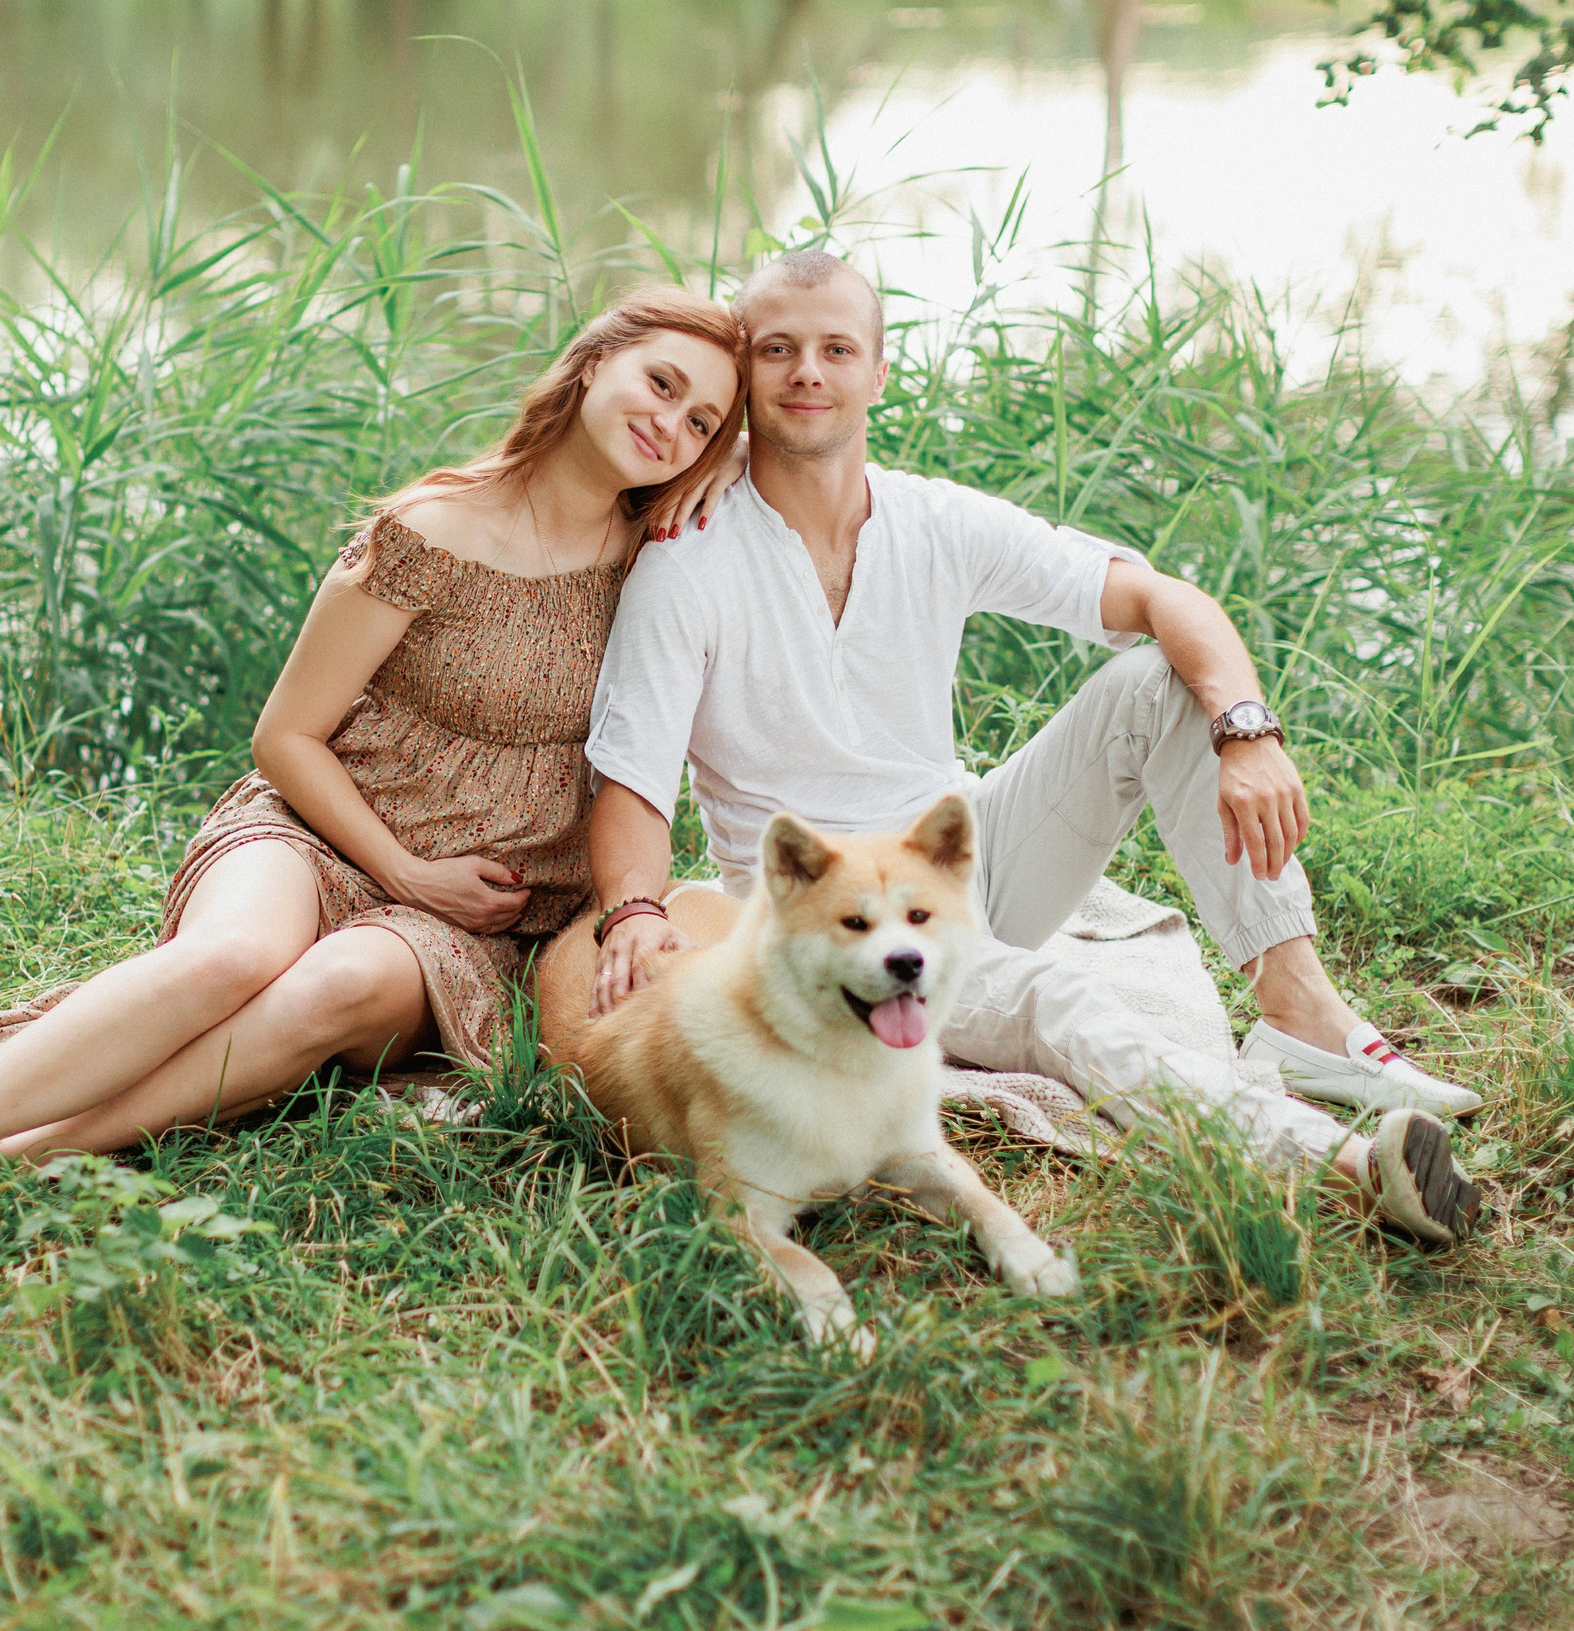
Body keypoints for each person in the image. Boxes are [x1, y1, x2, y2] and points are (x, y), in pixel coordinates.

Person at [0, 288, 746, 1266]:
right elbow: (286, 737)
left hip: (469, 916)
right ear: (591, 364)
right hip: (321, 828)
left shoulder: (664, 556)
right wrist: (399, 865)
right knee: (232, 958)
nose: (670, 422)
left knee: (335, 983)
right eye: (658, 382)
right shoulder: (431, 529)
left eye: (700, 419)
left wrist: (738, 455)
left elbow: (797, 478)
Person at [583, 251, 1485, 1246]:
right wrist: (631, 910)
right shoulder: (687, 562)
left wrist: (1247, 726)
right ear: (744, 373)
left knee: (1156, 681)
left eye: (837, 348)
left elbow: (1156, 599)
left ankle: (1299, 1011)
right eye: (778, 350)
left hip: (964, 858)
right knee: (1057, 993)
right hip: (827, 920)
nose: (808, 372)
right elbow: (631, 782)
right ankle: (1351, 1167)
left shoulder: (932, 519)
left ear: (879, 372)